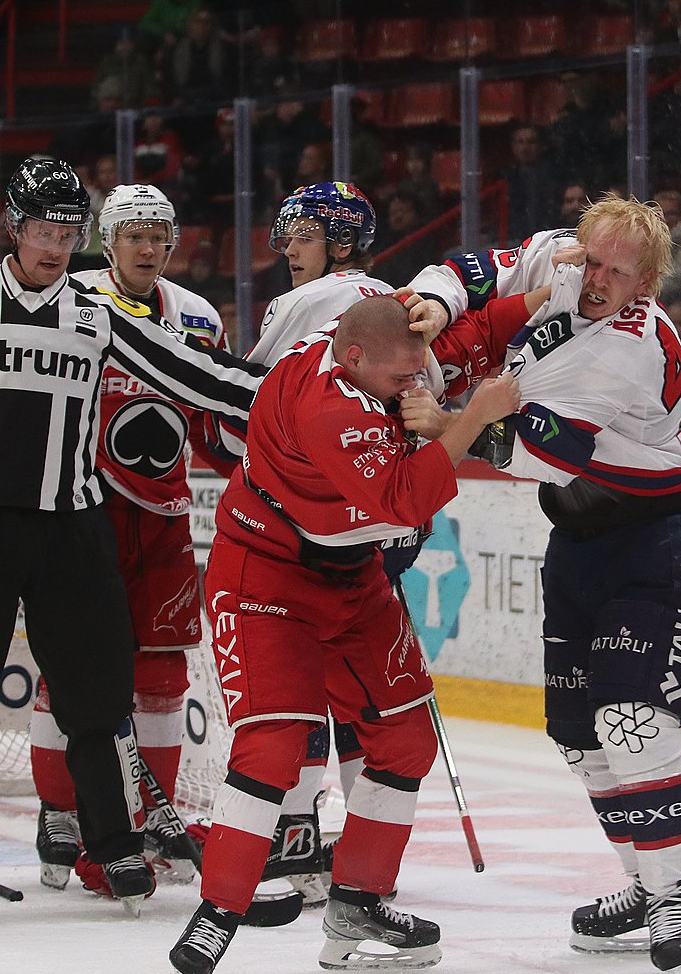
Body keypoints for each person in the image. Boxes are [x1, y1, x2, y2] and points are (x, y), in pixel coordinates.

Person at [0, 155, 265, 927]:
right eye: (40, 228)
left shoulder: (100, 317)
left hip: (71, 531)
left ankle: (115, 844)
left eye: (67, 230)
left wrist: (306, 392)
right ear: (11, 225)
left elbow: (197, 374)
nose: (54, 245)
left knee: (98, 696)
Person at [167, 297, 521, 974]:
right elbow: (405, 500)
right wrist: (474, 415)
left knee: (407, 739)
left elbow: (439, 340)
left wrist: (518, 296)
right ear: (355, 360)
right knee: (273, 748)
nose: (413, 386)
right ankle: (217, 912)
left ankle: (356, 899)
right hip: (265, 575)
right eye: (400, 379)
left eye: (415, 372)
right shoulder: (330, 408)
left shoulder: (361, 347)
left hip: (350, 574)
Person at [408, 195, 681, 973]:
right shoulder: (563, 258)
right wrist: (434, 303)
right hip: (577, 545)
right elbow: (477, 270)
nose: (600, 278)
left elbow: (531, 453)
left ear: (647, 282)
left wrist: (447, 419)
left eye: (621, 271)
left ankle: (673, 895)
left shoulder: (630, 344)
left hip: (654, 546)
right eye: (593, 260)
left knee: (633, 721)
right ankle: (641, 886)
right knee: (580, 739)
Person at [232, 181, 450, 911]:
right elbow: (432, 398)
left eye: (303, 232)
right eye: (284, 230)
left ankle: (292, 836)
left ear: (343, 242)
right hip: (389, 523)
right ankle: (360, 858)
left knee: (303, 687)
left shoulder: (299, 307)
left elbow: (249, 401)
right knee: (369, 700)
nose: (287, 246)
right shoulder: (397, 300)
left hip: (318, 521)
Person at [14, 184, 236, 893]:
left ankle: (154, 814)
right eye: (134, 235)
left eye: (159, 236)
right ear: (105, 241)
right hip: (80, 515)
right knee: (70, 672)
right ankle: (59, 813)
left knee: (165, 678)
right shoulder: (72, 300)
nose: (148, 248)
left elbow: (215, 416)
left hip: (164, 521)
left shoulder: (197, 317)